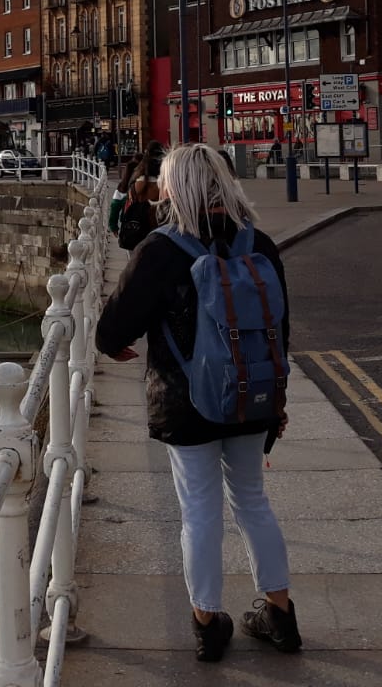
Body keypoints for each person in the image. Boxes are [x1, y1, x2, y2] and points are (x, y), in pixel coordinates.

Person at [96, 143, 299, 662]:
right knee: (253, 500)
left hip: (187, 401)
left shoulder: (162, 249)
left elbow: (113, 329)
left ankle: (208, 624)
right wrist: (275, 399)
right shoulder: (259, 243)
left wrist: (115, 344)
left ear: (176, 187)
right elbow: (279, 330)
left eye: (164, 179)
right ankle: (281, 615)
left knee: (200, 511)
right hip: (253, 396)